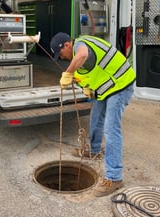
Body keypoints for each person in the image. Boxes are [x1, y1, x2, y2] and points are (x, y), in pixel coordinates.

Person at [50, 32, 136, 197]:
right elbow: (92, 71)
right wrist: (88, 87)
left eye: (60, 54)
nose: (61, 57)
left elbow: (83, 54)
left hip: (121, 85)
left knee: (111, 130)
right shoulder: (78, 59)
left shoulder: (80, 44)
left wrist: (67, 73)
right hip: (107, 89)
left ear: (67, 45)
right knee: (95, 119)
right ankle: (95, 150)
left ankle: (114, 177)